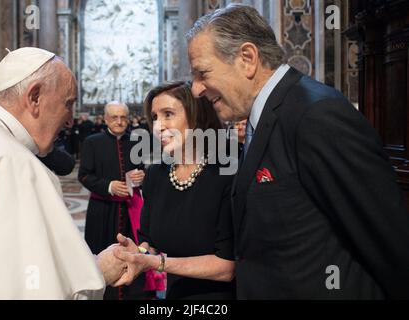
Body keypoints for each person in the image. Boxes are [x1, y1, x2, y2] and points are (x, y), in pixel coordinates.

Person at [185, 4, 409, 299]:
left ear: (247, 59)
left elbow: (389, 245)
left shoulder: (316, 115)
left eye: (203, 73)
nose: (196, 90)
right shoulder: (264, 117)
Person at [0, 47, 127, 299]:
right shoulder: (18, 165)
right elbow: (42, 288)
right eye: (68, 103)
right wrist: (99, 272)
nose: (70, 120)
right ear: (34, 97)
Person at [113, 81, 236, 300]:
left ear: (196, 117)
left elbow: (227, 267)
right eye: (155, 117)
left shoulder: (226, 174)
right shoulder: (156, 175)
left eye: (168, 114)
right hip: (176, 294)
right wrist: (137, 254)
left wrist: (156, 262)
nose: (158, 126)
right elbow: (148, 241)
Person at [78, 102, 149, 300]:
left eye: (123, 117)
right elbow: (83, 175)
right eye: (115, 117)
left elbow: (141, 169)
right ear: (106, 119)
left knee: (131, 254)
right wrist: (109, 186)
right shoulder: (92, 142)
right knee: (101, 256)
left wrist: (142, 177)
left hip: (129, 211)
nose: (119, 122)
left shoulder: (135, 141)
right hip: (102, 210)